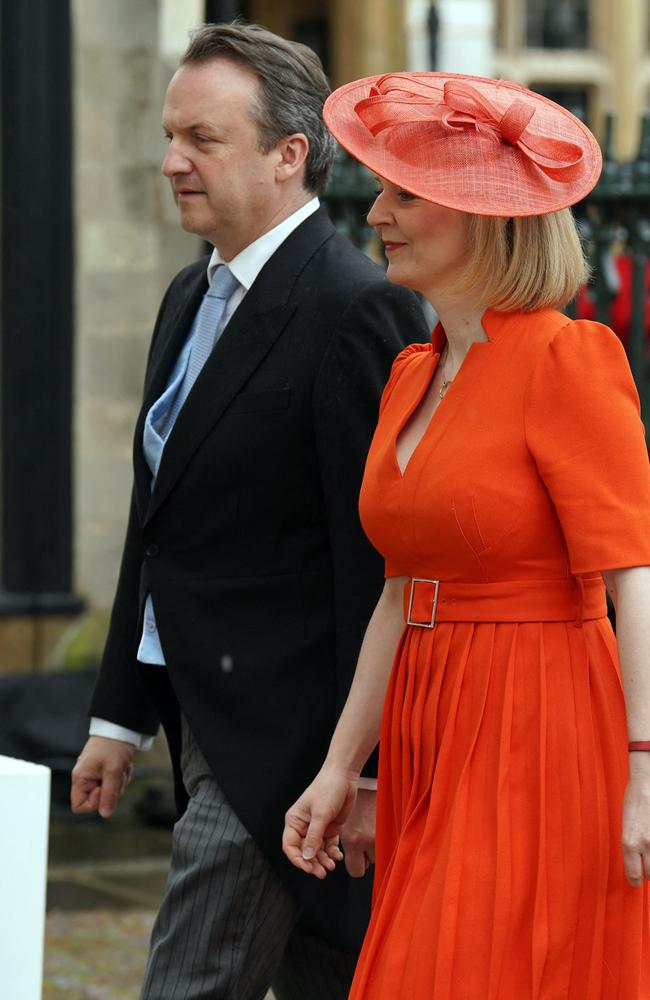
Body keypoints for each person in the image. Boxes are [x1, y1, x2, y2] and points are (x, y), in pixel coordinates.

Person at [70, 25, 428, 1000]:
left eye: (201, 138)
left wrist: (364, 771)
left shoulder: (357, 307)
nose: (170, 160)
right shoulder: (188, 295)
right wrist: (118, 713)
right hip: (199, 712)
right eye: (167, 134)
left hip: (288, 740)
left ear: (288, 154)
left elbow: (376, 559)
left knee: (187, 982)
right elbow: (159, 518)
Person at [283, 71, 650, 998]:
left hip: (542, 719)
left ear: (482, 217)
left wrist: (645, 768)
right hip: (429, 723)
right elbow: (400, 592)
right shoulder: (411, 372)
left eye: (406, 194)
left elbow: (633, 576)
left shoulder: (569, 358)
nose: (376, 215)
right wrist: (341, 770)